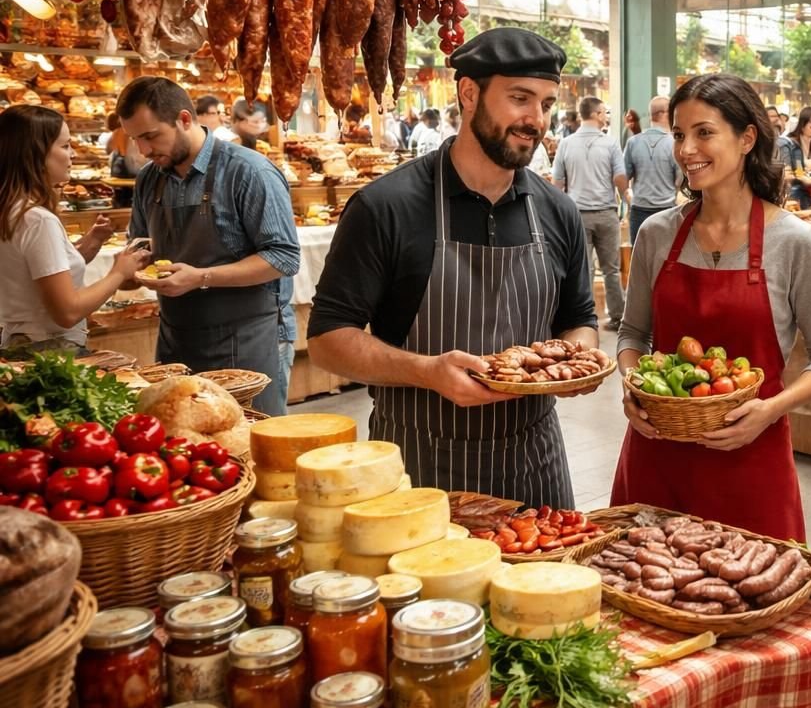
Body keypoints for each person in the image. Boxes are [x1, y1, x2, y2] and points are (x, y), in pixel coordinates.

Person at [308, 28, 598, 502]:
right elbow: (326, 341)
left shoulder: (557, 211)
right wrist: (426, 371)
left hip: (535, 465)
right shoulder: (386, 207)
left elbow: (580, 320)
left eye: (545, 104)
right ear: (468, 94)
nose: (535, 120)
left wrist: (575, 359)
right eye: (520, 98)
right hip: (422, 471)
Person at [610, 75, 811, 540]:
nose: (685, 149)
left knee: (752, 600)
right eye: (679, 135)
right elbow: (632, 334)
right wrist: (634, 386)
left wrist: (770, 409)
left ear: (747, 138)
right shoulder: (657, 235)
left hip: (751, 456)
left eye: (704, 132)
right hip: (658, 453)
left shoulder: (794, 242)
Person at [119, 77, 299, 414]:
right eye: (135, 139)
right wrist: (131, 271)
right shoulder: (149, 178)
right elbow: (141, 247)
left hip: (249, 340)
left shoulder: (248, 171)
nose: (143, 150)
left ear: (185, 119)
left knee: (251, 447)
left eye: (150, 136)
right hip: (177, 339)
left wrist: (200, 277)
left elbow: (283, 258)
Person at [0, 106, 150, 356]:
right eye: (65, 146)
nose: (72, 154)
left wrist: (85, 245)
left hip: (17, 347)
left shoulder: (11, 210)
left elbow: (35, 274)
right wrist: (118, 273)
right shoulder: (38, 220)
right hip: (49, 353)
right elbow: (67, 312)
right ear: (36, 154)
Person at [552, 96, 628, 331]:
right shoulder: (611, 144)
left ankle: (583, 320)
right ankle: (617, 317)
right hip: (606, 213)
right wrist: (626, 198)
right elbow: (619, 177)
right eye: (604, 112)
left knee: (583, 270)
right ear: (595, 114)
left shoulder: (565, 144)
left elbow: (557, 183)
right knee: (611, 270)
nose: (606, 117)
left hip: (576, 216)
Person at [623, 95, 681, 246]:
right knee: (665, 260)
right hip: (667, 209)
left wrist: (628, 199)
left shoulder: (633, 142)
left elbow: (624, 177)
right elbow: (680, 180)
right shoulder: (674, 143)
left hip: (639, 208)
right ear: (666, 113)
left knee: (638, 260)